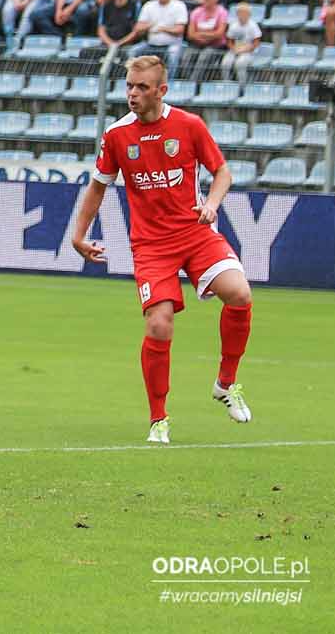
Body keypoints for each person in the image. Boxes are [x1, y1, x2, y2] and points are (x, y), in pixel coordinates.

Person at [69, 55, 255, 445]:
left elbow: (223, 171)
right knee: (159, 324)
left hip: (195, 232)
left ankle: (226, 382)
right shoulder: (117, 135)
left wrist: (212, 205)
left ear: (161, 91)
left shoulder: (188, 126)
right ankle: (159, 420)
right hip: (152, 245)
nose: (133, 95)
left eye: (142, 88)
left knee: (239, 293)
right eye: (129, 87)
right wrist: (78, 235)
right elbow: (98, 186)